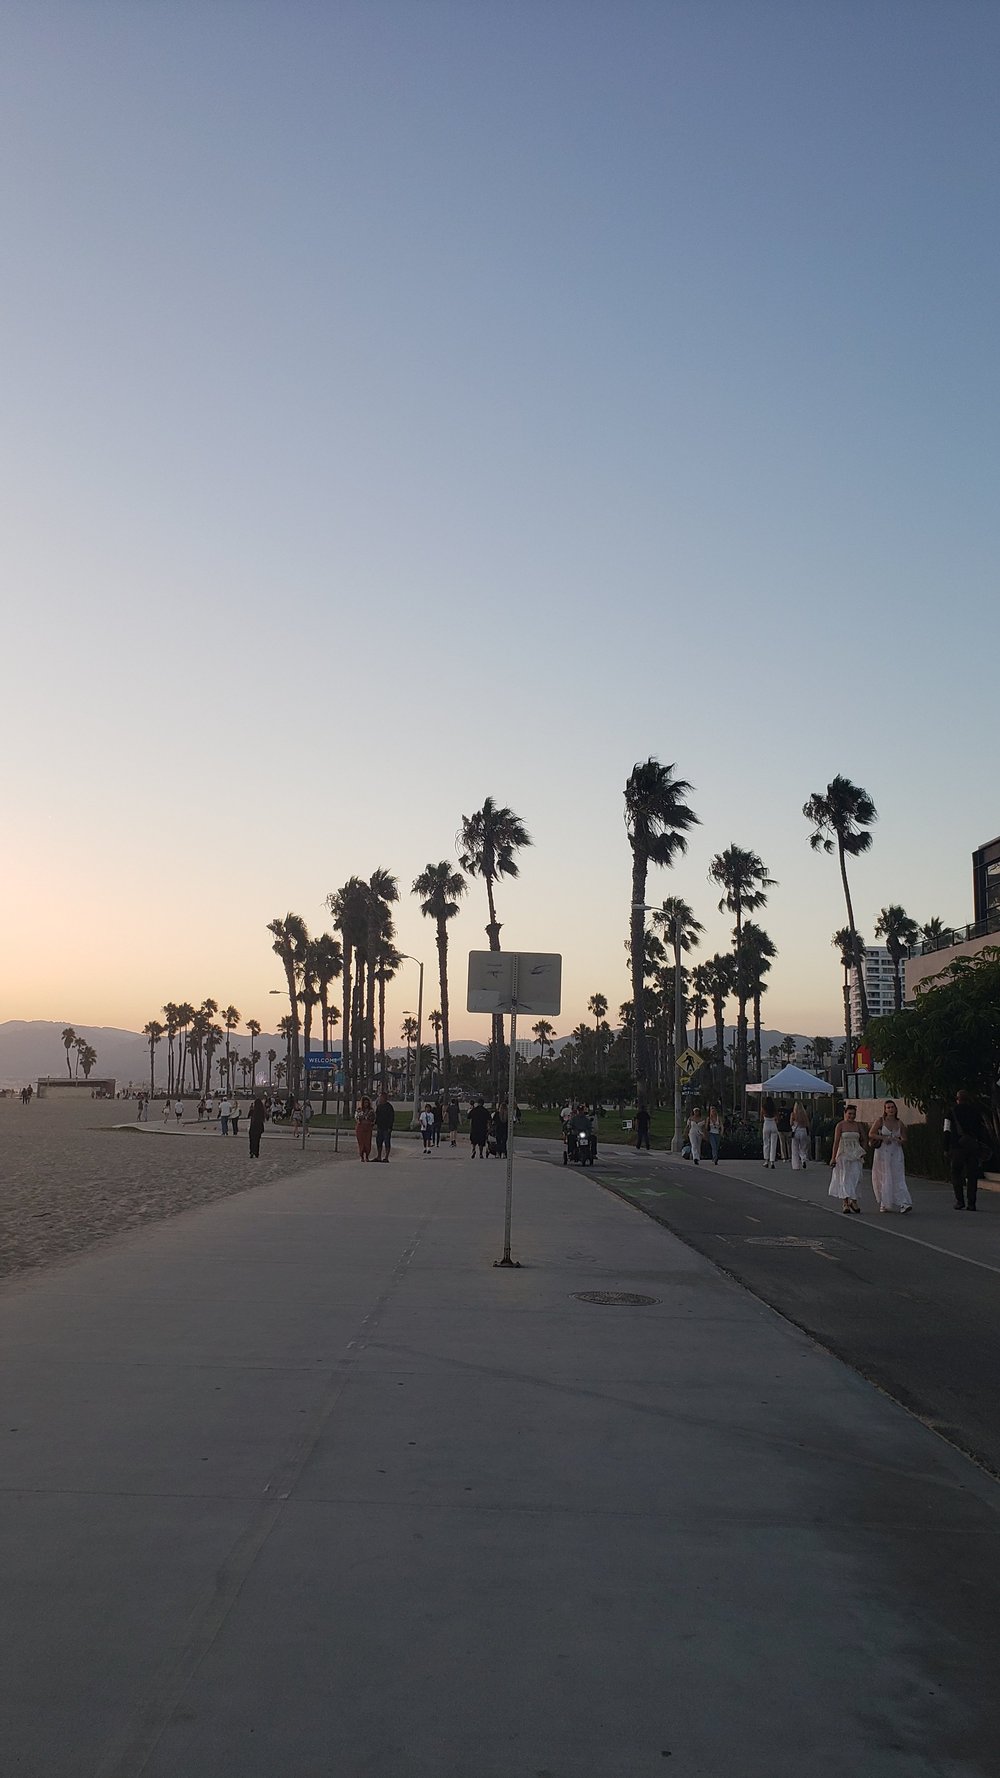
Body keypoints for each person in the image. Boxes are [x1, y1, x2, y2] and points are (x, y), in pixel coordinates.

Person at [943, 1090, 991, 1212]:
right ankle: (972, 1203)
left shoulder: (951, 1112)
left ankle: (960, 1201)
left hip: (957, 1147)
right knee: (972, 1176)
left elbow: (946, 1131)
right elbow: (982, 1130)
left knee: (956, 1174)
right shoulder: (975, 1112)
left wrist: (945, 1148)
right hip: (972, 1148)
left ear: (957, 1099)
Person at [868, 1101, 911, 1213]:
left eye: (892, 1107)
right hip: (883, 1152)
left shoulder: (899, 1123)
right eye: (888, 1108)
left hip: (896, 1152)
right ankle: (884, 1202)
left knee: (898, 1176)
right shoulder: (880, 1121)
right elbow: (871, 1134)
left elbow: (904, 1138)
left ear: (896, 1109)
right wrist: (883, 1138)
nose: (890, 1109)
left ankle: (904, 1202)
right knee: (884, 1176)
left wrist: (900, 1141)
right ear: (885, 1109)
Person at [829, 1105, 864, 1214]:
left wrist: (863, 1151)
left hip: (856, 1153)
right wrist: (833, 1157)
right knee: (844, 1177)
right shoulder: (840, 1125)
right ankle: (845, 1202)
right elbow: (836, 1141)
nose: (851, 1116)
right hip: (843, 1153)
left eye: (853, 1114)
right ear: (845, 1114)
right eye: (849, 1114)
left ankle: (853, 1200)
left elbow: (864, 1138)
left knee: (855, 1176)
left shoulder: (858, 1125)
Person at [374, 1091, 395, 1161]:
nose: (380, 1098)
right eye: (380, 1097)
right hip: (380, 1127)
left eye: (382, 1097)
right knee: (378, 1141)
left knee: (387, 1142)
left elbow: (391, 1118)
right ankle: (379, 1156)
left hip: (386, 1128)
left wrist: (390, 1127)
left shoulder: (389, 1107)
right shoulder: (379, 1107)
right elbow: (376, 1116)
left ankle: (386, 1157)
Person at [790, 1102, 811, 1171]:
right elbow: (807, 1124)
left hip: (796, 1131)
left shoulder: (793, 1114)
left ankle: (796, 1166)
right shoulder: (804, 1115)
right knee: (803, 1147)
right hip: (803, 1131)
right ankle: (803, 1159)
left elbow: (791, 1123)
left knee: (795, 1149)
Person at [355, 1096, 375, 1161]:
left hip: (368, 1128)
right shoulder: (359, 1110)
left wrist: (372, 1122)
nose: (366, 1104)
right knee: (361, 1142)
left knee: (367, 1142)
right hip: (360, 1128)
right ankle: (361, 1156)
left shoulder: (371, 1111)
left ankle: (367, 1156)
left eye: (367, 1102)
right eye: (365, 1103)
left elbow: (373, 1119)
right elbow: (357, 1118)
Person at [761, 1096, 779, 1168]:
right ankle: (772, 1162)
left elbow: (761, 1115)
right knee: (773, 1144)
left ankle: (766, 1161)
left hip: (766, 1123)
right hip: (773, 1124)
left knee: (766, 1143)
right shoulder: (774, 1108)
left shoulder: (764, 1107)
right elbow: (777, 1117)